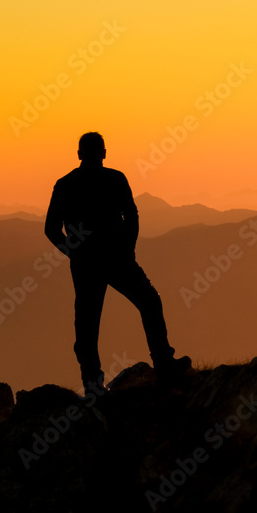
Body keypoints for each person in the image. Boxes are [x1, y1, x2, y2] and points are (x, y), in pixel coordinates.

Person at [45, 132, 190, 395]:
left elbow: (51, 230)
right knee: (148, 301)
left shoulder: (66, 184)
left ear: (79, 154)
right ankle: (164, 364)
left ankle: (93, 384)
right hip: (116, 257)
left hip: (90, 261)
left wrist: (74, 252)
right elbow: (132, 216)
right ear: (104, 153)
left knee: (87, 322)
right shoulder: (114, 178)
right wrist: (127, 248)